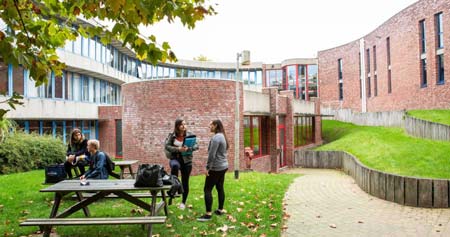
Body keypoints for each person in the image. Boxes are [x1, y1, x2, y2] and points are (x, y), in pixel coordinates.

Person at [197, 119, 229, 222]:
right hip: (223, 167)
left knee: (207, 189)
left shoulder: (216, 138)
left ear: (215, 126)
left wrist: (207, 168)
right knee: (220, 187)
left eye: (210, 125)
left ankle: (208, 214)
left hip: (216, 168)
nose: (209, 126)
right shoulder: (222, 135)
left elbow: (212, 155)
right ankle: (220, 209)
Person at [165, 118, 198, 210]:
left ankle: (183, 202)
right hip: (175, 158)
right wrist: (178, 149)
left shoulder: (190, 135)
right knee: (175, 166)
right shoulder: (172, 136)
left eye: (185, 124)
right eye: (181, 124)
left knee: (185, 181)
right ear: (177, 126)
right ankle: (174, 185)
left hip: (187, 160)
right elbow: (167, 146)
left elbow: (196, 146)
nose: (184, 126)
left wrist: (189, 148)